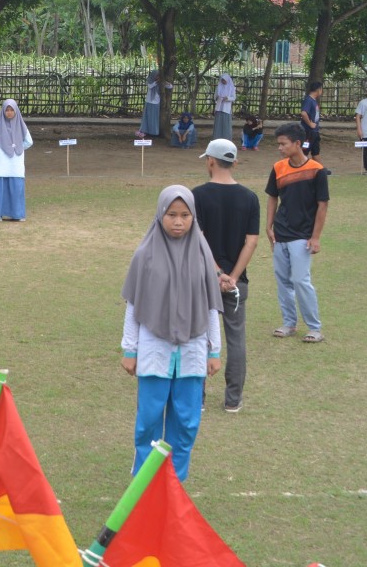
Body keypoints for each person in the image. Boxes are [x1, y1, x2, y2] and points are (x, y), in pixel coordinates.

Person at [120, 185, 222, 482]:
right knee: (149, 420)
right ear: (160, 214)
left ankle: (174, 483)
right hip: (154, 350)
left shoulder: (203, 254)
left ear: (194, 217)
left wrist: (214, 351)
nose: (178, 222)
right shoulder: (145, 254)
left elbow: (211, 307)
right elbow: (134, 305)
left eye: (185, 215)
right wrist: (130, 350)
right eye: (172, 215)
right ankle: (145, 482)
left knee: (187, 421)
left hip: (192, 351)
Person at [193, 139, 260, 414]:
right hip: (237, 282)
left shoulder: (197, 195)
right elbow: (251, 241)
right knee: (236, 339)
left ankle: (198, 398)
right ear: (234, 162)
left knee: (198, 338)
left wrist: (217, 273)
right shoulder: (250, 197)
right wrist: (232, 276)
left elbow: (198, 239)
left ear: (210, 160)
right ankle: (233, 399)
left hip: (203, 281)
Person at [266, 123, 330, 343]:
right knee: (282, 280)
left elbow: (323, 205)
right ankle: (289, 323)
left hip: (302, 235)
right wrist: (269, 226)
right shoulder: (278, 168)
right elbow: (273, 197)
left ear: (297, 143)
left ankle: (314, 327)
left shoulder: (317, 170)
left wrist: (316, 237)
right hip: (281, 234)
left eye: (283, 144)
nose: (280, 148)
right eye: (279, 144)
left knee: (301, 280)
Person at [0, 99, 33, 221]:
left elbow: (29, 141)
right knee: (1, 188)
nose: (9, 112)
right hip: (2, 162)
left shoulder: (21, 126)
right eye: (7, 110)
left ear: (16, 111)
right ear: (3, 111)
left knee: (17, 188)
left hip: (16, 162)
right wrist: (2, 147)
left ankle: (18, 214)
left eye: (12, 110)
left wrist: (18, 148)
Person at [136, 68, 170, 138]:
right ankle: (145, 131)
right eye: (157, 76)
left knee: (154, 118)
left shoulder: (161, 82)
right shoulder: (150, 81)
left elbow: (170, 86)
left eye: (159, 76)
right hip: (149, 102)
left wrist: (165, 82)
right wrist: (156, 82)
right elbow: (150, 86)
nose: (158, 77)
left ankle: (153, 132)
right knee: (147, 118)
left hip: (156, 103)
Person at [300, 80, 323, 166]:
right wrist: (310, 124)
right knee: (304, 150)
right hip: (308, 132)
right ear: (318, 89)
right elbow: (303, 113)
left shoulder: (313, 100)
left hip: (314, 132)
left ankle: (320, 169)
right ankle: (300, 167)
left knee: (315, 151)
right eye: (321, 89)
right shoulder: (308, 100)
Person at [213, 73, 236, 141]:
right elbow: (215, 96)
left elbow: (234, 98)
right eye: (222, 80)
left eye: (224, 80)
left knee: (226, 125)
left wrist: (228, 98)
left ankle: (226, 139)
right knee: (218, 124)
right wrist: (217, 97)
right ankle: (217, 138)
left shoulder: (231, 88)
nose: (223, 81)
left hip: (226, 108)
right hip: (219, 107)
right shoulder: (219, 87)